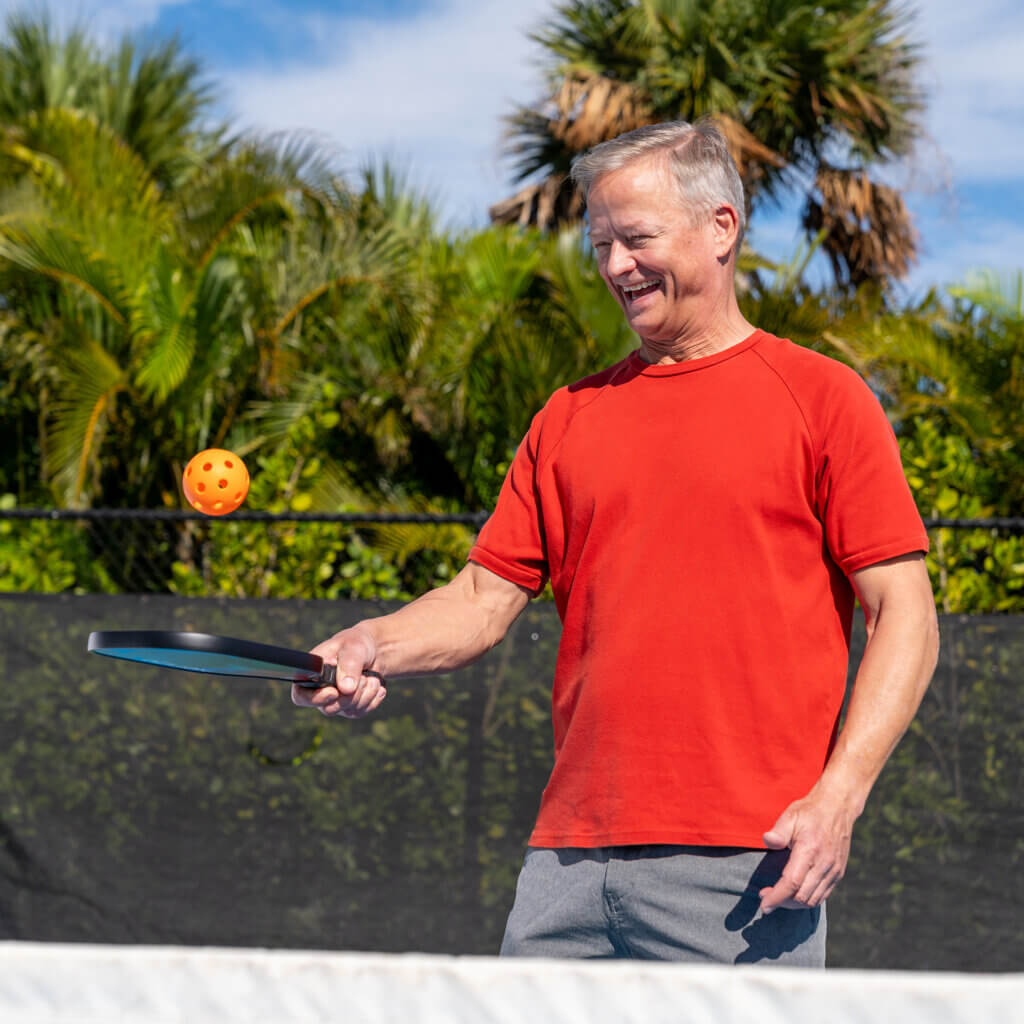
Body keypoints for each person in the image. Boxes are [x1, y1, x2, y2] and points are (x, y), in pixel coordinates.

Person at [293, 119, 939, 966]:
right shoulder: (569, 417)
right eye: (601, 244)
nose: (614, 266)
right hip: (565, 865)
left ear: (721, 228)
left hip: (748, 869)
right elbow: (482, 601)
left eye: (636, 238)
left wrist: (840, 797)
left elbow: (907, 617)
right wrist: (371, 642)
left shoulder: (824, 399)